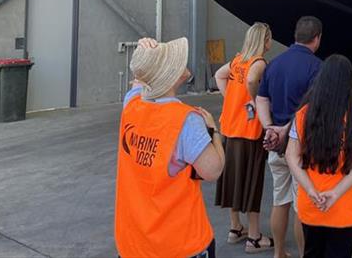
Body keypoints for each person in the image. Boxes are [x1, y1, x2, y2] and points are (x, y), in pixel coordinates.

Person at [115, 37, 225, 258]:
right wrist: (215, 133)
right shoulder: (185, 120)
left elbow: (139, 78)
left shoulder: (132, 105)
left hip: (134, 243)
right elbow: (213, 170)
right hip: (178, 243)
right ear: (171, 76)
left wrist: (145, 50)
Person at [286, 55, 352, 258]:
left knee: (312, 252)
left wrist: (309, 189)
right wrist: (336, 193)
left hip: (312, 203)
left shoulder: (303, 114)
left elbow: (292, 157)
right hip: (346, 205)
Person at [256, 16, 323, 258]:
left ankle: (279, 253)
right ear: (317, 38)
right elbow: (314, 109)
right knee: (300, 206)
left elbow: (261, 97)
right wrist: (287, 129)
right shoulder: (317, 67)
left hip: (275, 145)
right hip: (301, 147)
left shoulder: (274, 63)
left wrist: (270, 127)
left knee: (279, 200)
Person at [214, 22, 274, 252]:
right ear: (264, 41)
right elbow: (251, 80)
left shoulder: (237, 60)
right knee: (251, 181)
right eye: (269, 39)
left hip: (229, 128)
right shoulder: (258, 63)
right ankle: (254, 236)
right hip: (249, 132)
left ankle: (235, 227)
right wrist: (255, 100)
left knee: (233, 178)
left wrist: (231, 99)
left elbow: (220, 76)